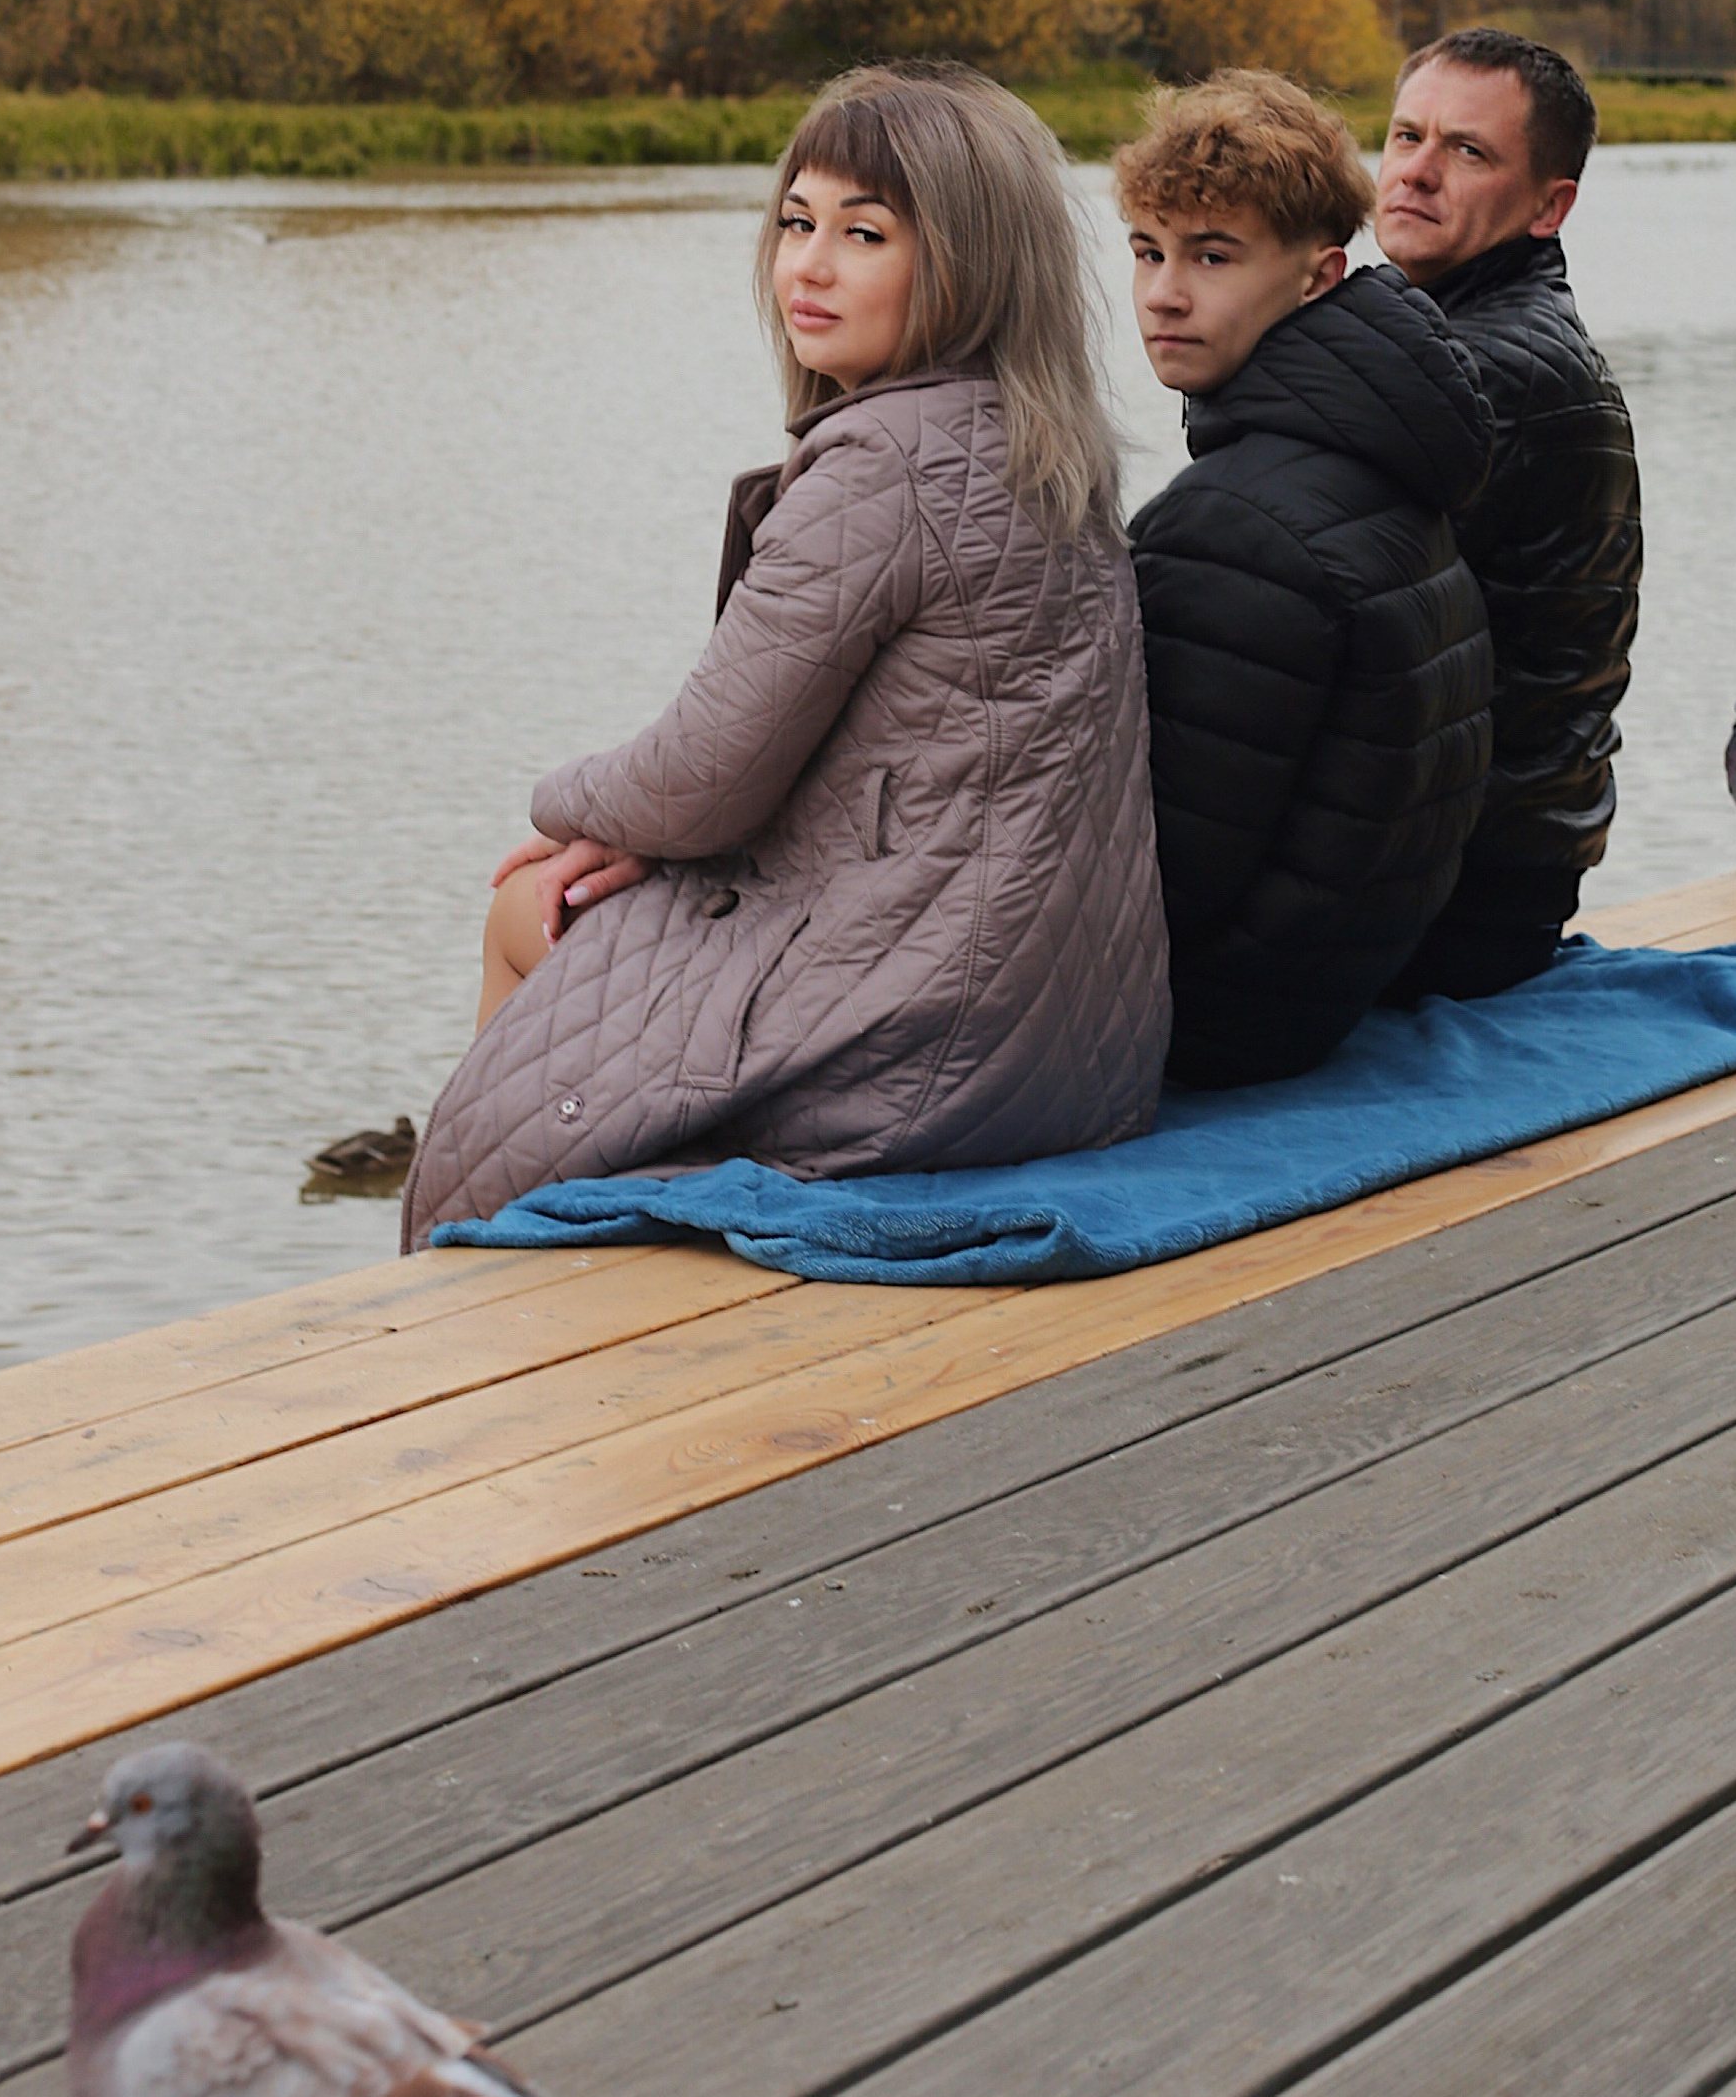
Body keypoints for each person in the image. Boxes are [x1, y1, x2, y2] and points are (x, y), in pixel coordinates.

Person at [401, 62, 1171, 1243]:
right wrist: (645, 829)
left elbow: (697, 780)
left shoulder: (881, 467)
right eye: (796, 223)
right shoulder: (1046, 443)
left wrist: (568, 804)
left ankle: (490, 1274)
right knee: (603, 900)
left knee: (526, 902)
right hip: (1076, 1036)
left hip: (922, 1044)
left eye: (862, 234)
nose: (806, 266)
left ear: (972, 257)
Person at [1117, 70, 1496, 1088]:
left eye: (1212, 255)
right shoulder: (1388, 452)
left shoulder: (1232, 521)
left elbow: (1166, 873)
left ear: (1318, 275)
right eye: (1147, 251)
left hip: (1212, 1021)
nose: (1164, 292)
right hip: (1323, 998)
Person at [1373, 25, 1641, 1003]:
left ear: (1548, 205)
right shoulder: (1440, 330)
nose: (1417, 173)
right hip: (1481, 859)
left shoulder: (1491, 370)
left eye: (1467, 151)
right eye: (1406, 138)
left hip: (1463, 891)